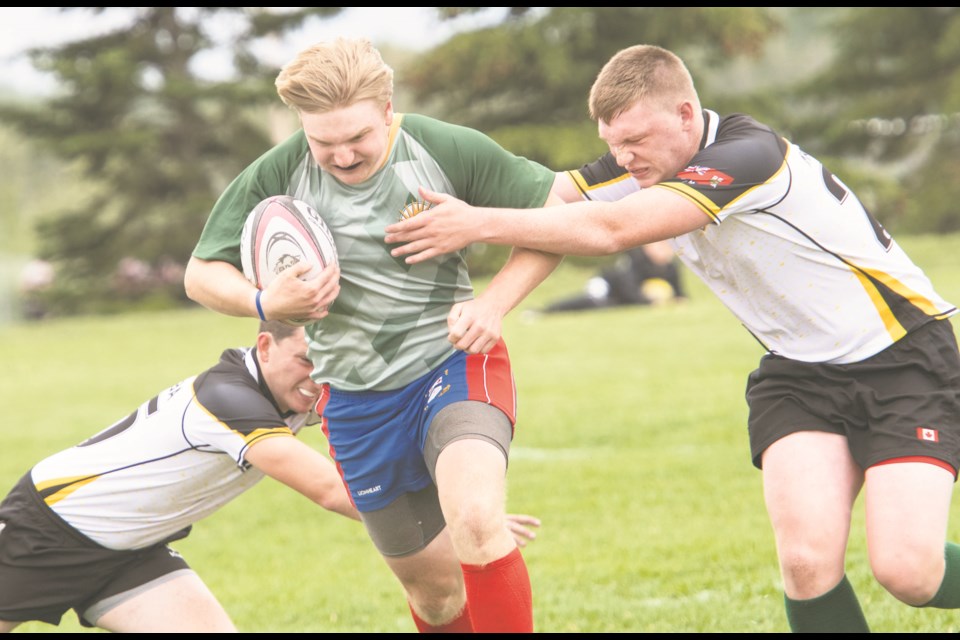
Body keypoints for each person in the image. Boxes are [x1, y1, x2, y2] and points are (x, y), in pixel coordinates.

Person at [383, 44, 960, 632]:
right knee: (807, 564)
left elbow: (612, 230)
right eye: (612, 143)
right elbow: (547, 205)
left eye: (634, 140)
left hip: (902, 357)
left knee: (907, 571)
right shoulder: (640, 165)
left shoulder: (749, 156)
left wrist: (475, 222)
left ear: (686, 114)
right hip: (799, 374)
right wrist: (486, 291)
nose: (622, 158)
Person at [183, 38, 564, 633]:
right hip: (356, 399)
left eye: (356, 137)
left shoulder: (442, 147)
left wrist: (492, 302)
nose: (340, 155)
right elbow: (200, 274)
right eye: (322, 141)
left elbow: (556, 218)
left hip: (453, 361)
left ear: (387, 108)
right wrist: (265, 300)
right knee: (437, 596)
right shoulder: (282, 169)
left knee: (476, 520)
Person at [0, 321, 540, 633]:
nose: (319, 376)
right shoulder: (225, 399)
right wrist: (451, 515)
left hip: (133, 552)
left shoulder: (299, 388)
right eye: (306, 359)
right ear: (264, 345)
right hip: (46, 528)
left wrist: (466, 498)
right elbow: (330, 487)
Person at [537, 241, 684, 314]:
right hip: (605, 285)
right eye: (659, 247)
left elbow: (679, 292)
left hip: (620, 298)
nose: (664, 252)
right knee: (592, 302)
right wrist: (648, 302)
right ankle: (547, 310)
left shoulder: (671, 268)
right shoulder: (634, 260)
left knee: (609, 307)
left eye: (667, 248)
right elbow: (629, 288)